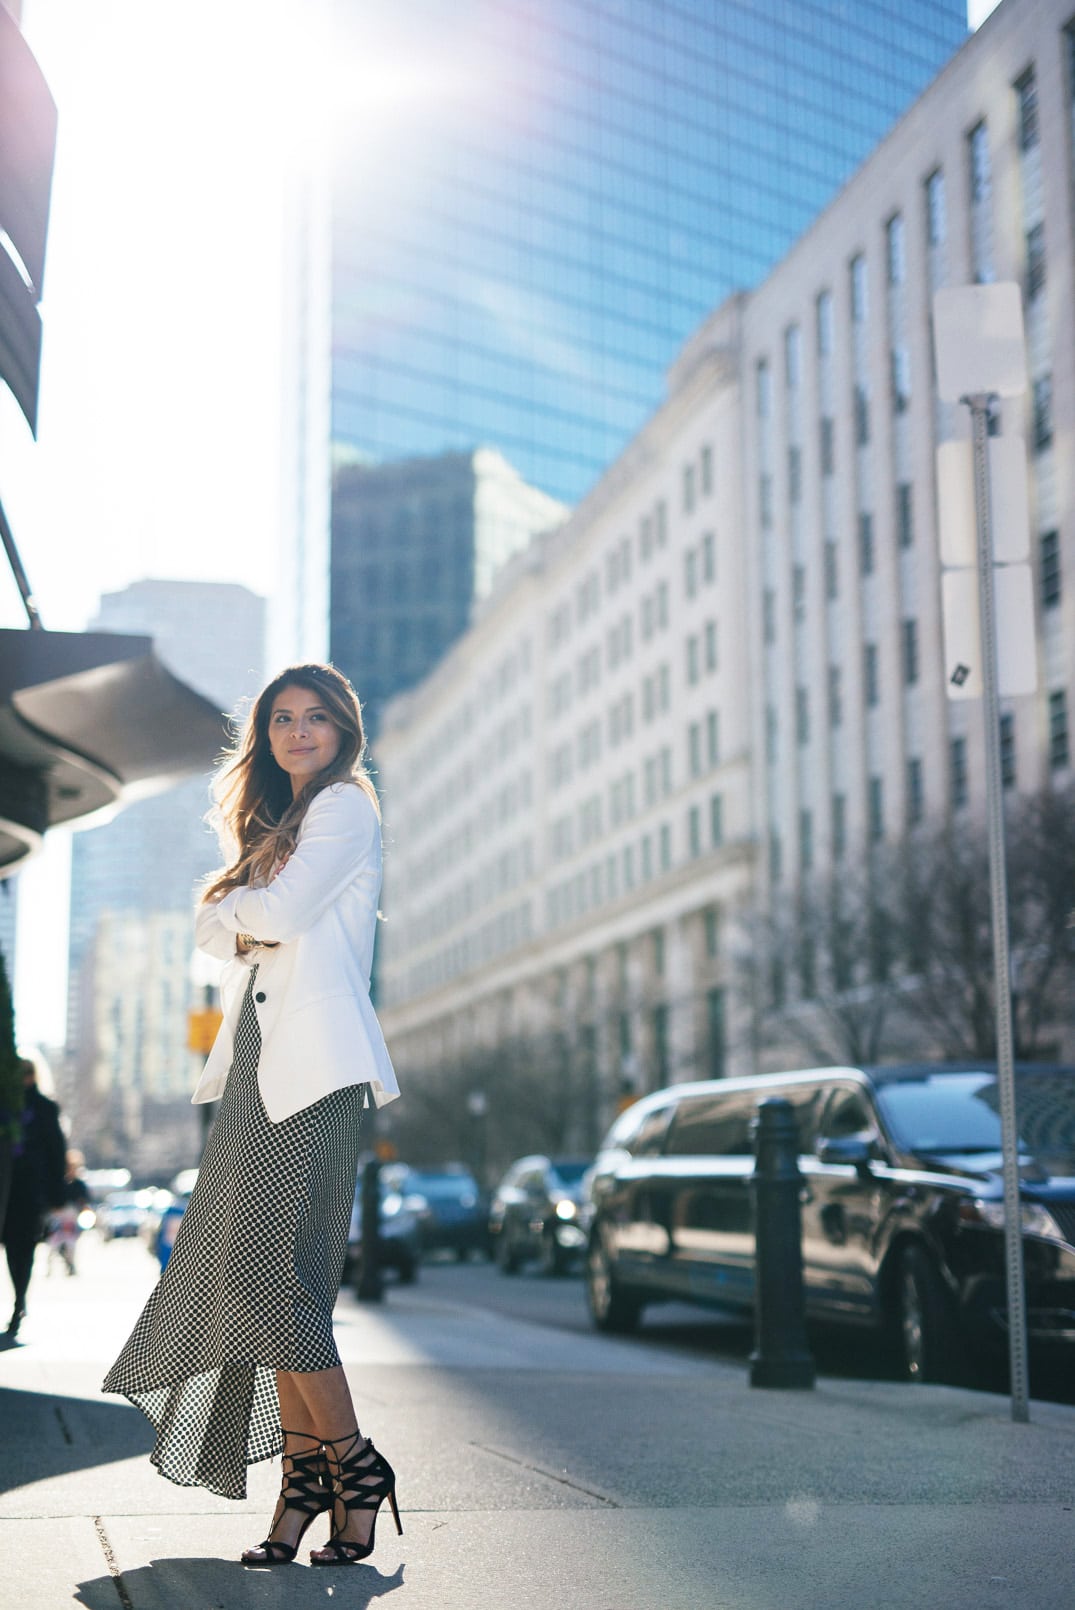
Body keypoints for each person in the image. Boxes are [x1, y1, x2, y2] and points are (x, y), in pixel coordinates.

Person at [102, 663, 402, 1567]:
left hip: (311, 1069)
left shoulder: (344, 806)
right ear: (265, 736)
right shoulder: (277, 820)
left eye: (316, 717)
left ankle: (350, 1464)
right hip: (256, 1069)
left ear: (343, 729)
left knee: (270, 1282)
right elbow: (225, 925)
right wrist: (244, 914)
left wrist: (239, 912)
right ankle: (306, 1491)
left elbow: (278, 911)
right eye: (282, 720)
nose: (299, 731)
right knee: (265, 1283)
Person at [2, 1057, 67, 1337]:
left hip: (32, 1190)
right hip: (7, 1187)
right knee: (10, 1245)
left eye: (27, 1073)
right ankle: (19, 1297)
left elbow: (56, 1152)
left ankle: (20, 1300)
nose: (23, 1078)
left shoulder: (45, 1108)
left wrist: (56, 1194)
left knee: (24, 1244)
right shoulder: (6, 1106)